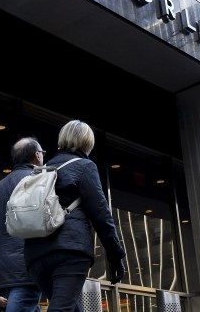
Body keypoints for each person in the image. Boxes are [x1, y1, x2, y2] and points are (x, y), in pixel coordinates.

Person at [23, 119, 126, 312]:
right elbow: (101, 214)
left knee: (69, 306)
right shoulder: (85, 166)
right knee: (62, 308)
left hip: (35, 255)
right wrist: (116, 255)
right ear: (87, 143)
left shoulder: (42, 170)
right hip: (69, 252)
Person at [0, 137, 46, 312]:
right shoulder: (42, 181)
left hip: (3, 275)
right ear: (37, 156)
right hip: (30, 268)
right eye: (42, 153)